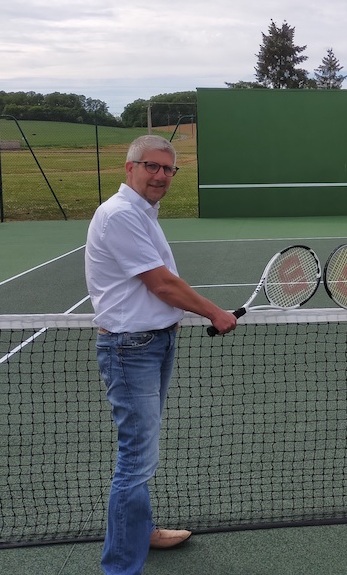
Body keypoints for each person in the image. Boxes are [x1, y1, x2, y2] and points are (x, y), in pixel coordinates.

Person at [85, 135, 237, 575]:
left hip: (154, 342)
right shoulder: (119, 215)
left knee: (141, 451)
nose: (161, 176)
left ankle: (141, 530)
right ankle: (120, 567)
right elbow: (162, 284)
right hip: (131, 349)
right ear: (129, 167)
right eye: (152, 166)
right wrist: (214, 312)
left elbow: (163, 281)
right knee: (136, 457)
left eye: (168, 170)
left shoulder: (142, 212)